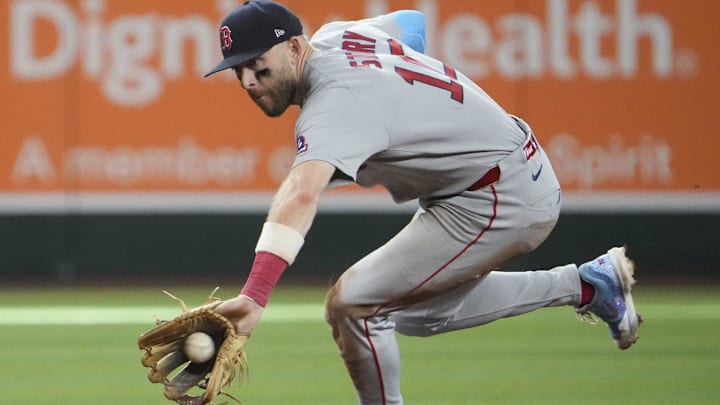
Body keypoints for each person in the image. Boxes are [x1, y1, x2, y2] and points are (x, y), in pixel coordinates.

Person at [207, 1, 641, 404]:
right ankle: (588, 285)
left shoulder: (332, 104)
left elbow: (302, 193)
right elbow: (412, 23)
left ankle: (587, 286)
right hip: (482, 181)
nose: (247, 81)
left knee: (354, 305)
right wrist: (401, 85)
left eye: (257, 65)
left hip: (501, 194)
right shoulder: (339, 36)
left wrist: (254, 296)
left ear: (295, 47)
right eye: (238, 70)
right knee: (406, 312)